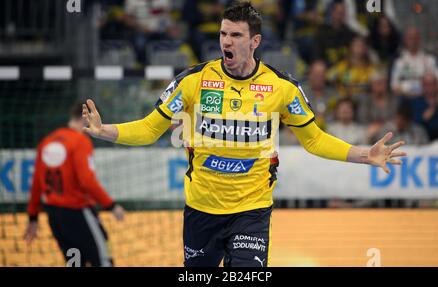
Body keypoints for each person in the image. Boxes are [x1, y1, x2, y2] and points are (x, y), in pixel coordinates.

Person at [81, 2, 406, 267]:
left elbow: (315, 140)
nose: (226, 41)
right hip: (201, 209)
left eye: (236, 35)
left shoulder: (282, 87)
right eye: (223, 33)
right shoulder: (194, 81)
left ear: (254, 42)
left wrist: (364, 154)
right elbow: (150, 128)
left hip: (252, 210)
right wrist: (105, 131)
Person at [24, 103, 126, 267]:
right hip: (79, 213)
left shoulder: (47, 141)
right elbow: (87, 181)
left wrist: (33, 217)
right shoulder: (80, 141)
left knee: (74, 263)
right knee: (104, 260)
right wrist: (111, 205)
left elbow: (37, 182)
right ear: (86, 116)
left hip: (55, 216)